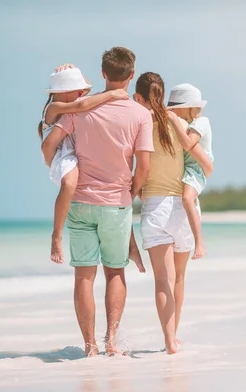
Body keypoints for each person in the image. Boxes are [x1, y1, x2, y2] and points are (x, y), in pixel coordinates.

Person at [42, 47, 153, 357]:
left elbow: (50, 143)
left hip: (80, 203)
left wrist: (57, 168)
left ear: (103, 74)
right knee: (115, 272)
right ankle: (111, 343)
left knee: (84, 276)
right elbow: (143, 167)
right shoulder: (141, 115)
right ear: (131, 75)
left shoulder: (79, 111)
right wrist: (128, 196)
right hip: (116, 204)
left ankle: (90, 347)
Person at [134, 72, 213, 354]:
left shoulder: (139, 123)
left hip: (154, 206)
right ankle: (174, 339)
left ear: (139, 96)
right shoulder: (182, 124)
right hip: (181, 205)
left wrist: (134, 191)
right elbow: (206, 166)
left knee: (161, 280)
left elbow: (137, 168)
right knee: (178, 278)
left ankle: (168, 340)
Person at [38, 67, 135, 265]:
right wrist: (111, 94)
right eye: (78, 90)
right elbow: (85, 104)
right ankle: (56, 236)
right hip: (61, 157)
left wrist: (71, 69)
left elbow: (86, 94)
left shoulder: (72, 102)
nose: (83, 93)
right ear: (65, 92)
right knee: (70, 184)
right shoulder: (54, 107)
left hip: (72, 152)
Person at [167, 84, 214, 260]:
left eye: (176, 110)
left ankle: (200, 242)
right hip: (187, 168)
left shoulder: (201, 122)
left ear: (188, 108)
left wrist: (172, 120)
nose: (175, 113)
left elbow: (189, 143)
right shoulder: (189, 123)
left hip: (196, 169)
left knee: (187, 198)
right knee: (186, 199)